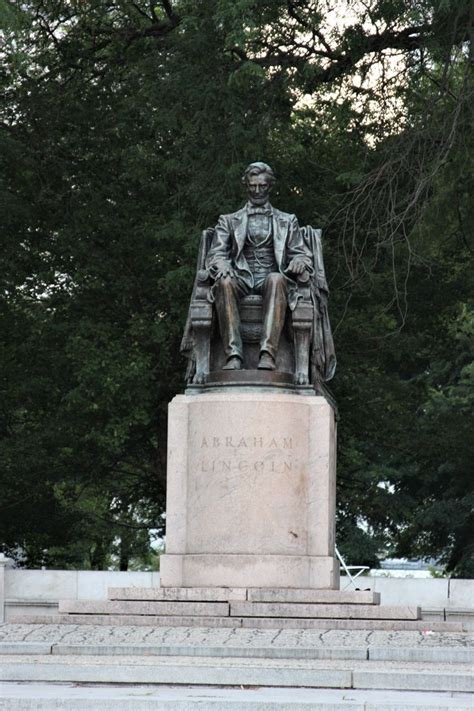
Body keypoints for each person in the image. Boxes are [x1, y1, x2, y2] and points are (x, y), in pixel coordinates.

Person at [205, 162, 312, 371]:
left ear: (269, 186)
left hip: (271, 277)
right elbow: (216, 253)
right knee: (224, 282)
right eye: (252, 186)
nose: (257, 191)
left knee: (276, 279)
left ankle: (268, 354)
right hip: (241, 276)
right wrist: (223, 264)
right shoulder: (228, 220)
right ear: (246, 186)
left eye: (262, 186)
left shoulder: (287, 221)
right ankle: (233, 355)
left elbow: (302, 253)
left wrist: (300, 261)